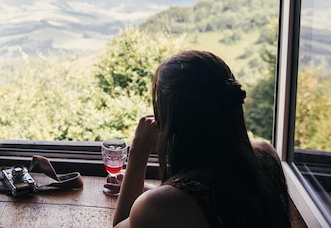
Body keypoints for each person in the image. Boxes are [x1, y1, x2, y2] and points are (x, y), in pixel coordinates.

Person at [112, 50, 291, 228]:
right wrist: (144, 189)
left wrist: (138, 151)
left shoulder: (160, 206)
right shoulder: (266, 156)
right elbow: (222, 198)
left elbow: (121, 224)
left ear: (171, 118)